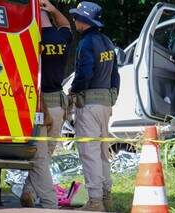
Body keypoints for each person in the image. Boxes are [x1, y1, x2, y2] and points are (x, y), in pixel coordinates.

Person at [20, 0, 72, 209]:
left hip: (39, 104)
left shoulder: (32, 40)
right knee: (46, 154)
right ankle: (29, 193)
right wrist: (53, 9)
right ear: (49, 18)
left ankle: (46, 200)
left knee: (39, 156)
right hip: (58, 103)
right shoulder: (61, 37)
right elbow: (67, 25)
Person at [69, 2, 120, 211]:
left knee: (89, 153)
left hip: (89, 104)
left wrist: (73, 91)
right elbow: (115, 74)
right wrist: (113, 95)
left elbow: (85, 74)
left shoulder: (86, 43)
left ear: (84, 21)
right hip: (105, 104)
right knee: (102, 152)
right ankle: (106, 198)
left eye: (77, 17)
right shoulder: (107, 42)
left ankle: (95, 202)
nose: (74, 20)